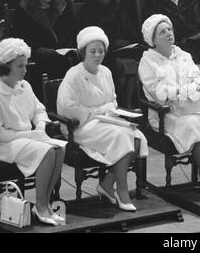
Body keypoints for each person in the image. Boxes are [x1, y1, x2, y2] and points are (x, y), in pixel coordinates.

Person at [57, 26, 148, 212]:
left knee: (137, 138)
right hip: (82, 127)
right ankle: (122, 191)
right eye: (93, 51)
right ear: (83, 52)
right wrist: (97, 112)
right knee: (123, 137)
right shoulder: (73, 75)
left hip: (105, 121)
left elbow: (112, 101)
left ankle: (107, 183)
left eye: (101, 51)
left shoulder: (106, 71)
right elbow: (68, 108)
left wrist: (106, 111)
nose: (97, 55)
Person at [138, 14, 200, 194]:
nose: (169, 34)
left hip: (191, 106)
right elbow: (157, 92)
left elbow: (198, 78)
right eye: (162, 32)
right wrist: (183, 91)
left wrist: (186, 90)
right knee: (196, 124)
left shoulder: (184, 55)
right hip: (166, 113)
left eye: (170, 29)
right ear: (153, 40)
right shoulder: (147, 61)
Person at [0, 38, 64, 226]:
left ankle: (46, 203)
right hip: (4, 145)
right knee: (47, 152)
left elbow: (39, 110)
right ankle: (41, 205)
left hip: (26, 140)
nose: (25, 70)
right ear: (5, 67)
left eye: (25, 65)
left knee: (59, 150)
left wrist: (40, 127)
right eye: (20, 66)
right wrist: (29, 136)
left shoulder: (24, 86)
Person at [76, 0, 142, 108]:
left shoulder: (117, 7)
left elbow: (129, 31)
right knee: (115, 64)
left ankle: (135, 103)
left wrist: (128, 42)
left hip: (121, 49)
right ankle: (121, 104)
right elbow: (88, 38)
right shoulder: (86, 11)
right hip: (101, 53)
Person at [12, 0, 77, 79]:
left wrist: (69, 46)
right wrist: (38, 50)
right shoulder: (24, 9)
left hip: (64, 53)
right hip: (39, 58)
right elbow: (20, 39)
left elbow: (73, 30)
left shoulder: (62, 3)